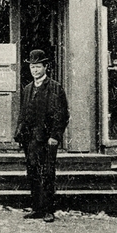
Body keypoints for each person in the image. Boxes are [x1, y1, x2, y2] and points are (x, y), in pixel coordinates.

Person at [14, 49, 68, 222]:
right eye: (32, 67)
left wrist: (55, 136)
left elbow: (62, 115)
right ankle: (37, 209)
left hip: (47, 139)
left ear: (45, 67)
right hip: (30, 140)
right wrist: (19, 134)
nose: (35, 70)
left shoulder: (55, 87)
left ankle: (48, 210)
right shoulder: (27, 89)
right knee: (33, 173)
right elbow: (23, 114)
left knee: (47, 173)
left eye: (38, 67)